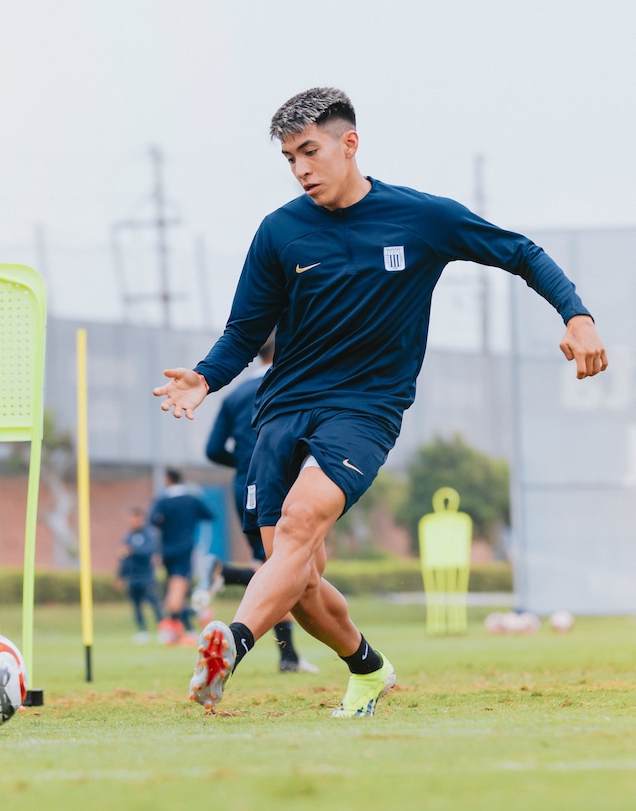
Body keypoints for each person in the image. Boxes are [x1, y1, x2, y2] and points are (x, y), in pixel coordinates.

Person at [153, 87, 608, 716]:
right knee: (298, 577)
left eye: (309, 151)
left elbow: (520, 252)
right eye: (289, 159)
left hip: (365, 410)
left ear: (350, 143)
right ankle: (369, 669)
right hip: (282, 409)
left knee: (299, 524)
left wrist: (577, 316)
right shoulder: (279, 231)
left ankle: (231, 644)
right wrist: (205, 378)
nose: (300, 168)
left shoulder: (421, 218)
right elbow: (244, 332)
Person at [204, 335, 318, 674]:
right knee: (286, 564)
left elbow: (212, 450)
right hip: (286, 480)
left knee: (276, 562)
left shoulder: (235, 395)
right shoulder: (296, 382)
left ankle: (288, 656)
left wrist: (246, 462)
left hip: (246, 484)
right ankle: (227, 575)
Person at [149, 468, 214, 646]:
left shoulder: (162, 501)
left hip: (167, 550)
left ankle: (179, 628)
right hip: (185, 549)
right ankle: (181, 626)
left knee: (176, 587)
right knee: (179, 588)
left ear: (168, 479)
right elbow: (210, 514)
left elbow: (153, 520)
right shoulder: (192, 499)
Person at [115, 507, 163, 643]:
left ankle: (163, 629)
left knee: (154, 603)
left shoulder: (150, 535)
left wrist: (133, 551)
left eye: (135, 518)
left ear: (141, 519)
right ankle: (142, 630)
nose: (133, 521)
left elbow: (149, 551)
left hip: (146, 575)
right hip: (132, 576)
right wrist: (120, 576)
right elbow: (124, 558)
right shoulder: (127, 536)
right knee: (136, 605)